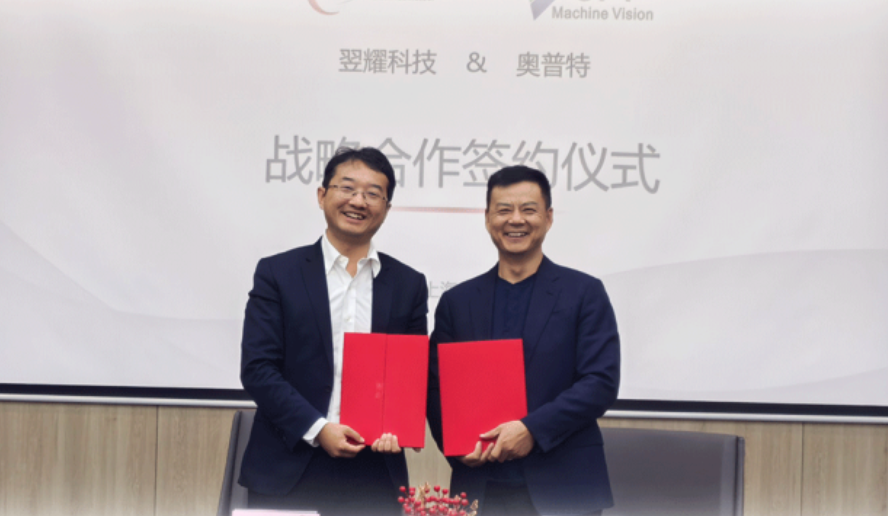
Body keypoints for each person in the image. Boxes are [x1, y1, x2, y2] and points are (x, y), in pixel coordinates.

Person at [239, 147, 428, 516]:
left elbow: (409, 375)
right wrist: (318, 428)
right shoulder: (278, 273)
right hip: (289, 465)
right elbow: (258, 369)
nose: (358, 201)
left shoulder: (408, 284)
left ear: (387, 208)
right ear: (322, 195)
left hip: (375, 471)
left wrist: (399, 425)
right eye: (347, 188)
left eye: (373, 193)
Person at [427, 165, 620, 516]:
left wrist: (531, 430)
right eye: (504, 210)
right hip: (481, 485)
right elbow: (437, 387)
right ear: (488, 218)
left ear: (548, 218)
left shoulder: (584, 293)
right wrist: (456, 447)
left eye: (528, 209)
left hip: (565, 487)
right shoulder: (458, 302)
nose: (516, 220)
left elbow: (600, 383)